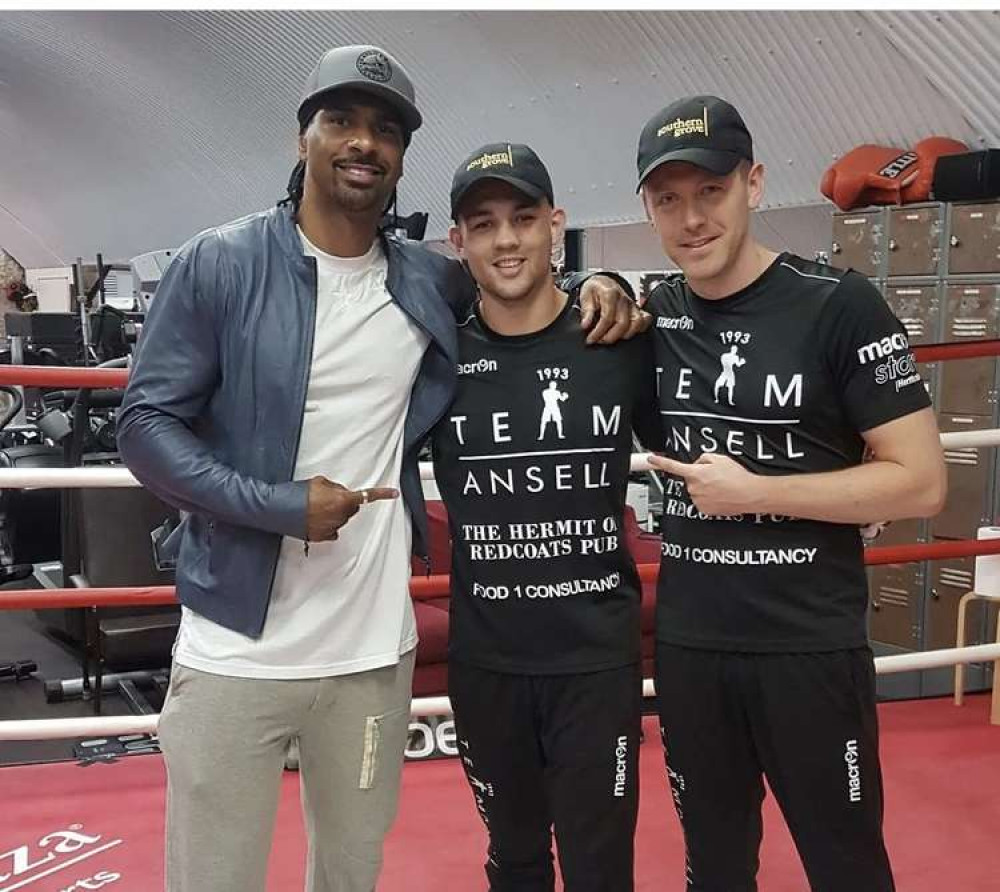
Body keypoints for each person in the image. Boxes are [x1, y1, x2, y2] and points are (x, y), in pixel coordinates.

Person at [117, 45, 643, 892]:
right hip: (234, 652)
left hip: (369, 655)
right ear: (304, 137)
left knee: (351, 876)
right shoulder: (218, 263)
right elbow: (142, 428)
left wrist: (603, 279)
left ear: (401, 156)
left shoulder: (427, 282)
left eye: (385, 129)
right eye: (343, 120)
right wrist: (275, 505)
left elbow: (518, 276)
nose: (363, 142)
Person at [635, 95, 947, 891]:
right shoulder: (653, 315)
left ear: (754, 184)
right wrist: (599, 285)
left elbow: (921, 481)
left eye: (710, 191)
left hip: (807, 645)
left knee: (845, 865)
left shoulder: (836, 304)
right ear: (648, 209)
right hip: (693, 649)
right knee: (714, 867)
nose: (691, 219)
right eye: (669, 199)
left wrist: (757, 493)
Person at [432, 142, 662, 892]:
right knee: (516, 862)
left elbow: (698, 442)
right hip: (488, 662)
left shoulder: (618, 340)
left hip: (594, 663)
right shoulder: (435, 359)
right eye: (485, 223)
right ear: (456, 242)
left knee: (601, 870)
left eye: (524, 218)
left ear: (555, 225)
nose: (507, 240)